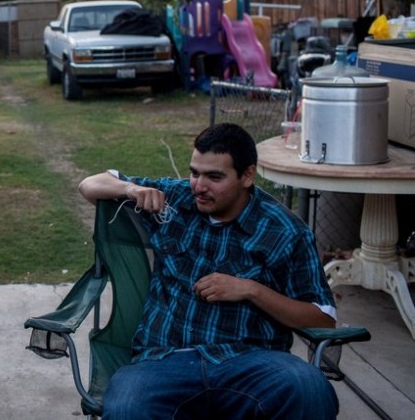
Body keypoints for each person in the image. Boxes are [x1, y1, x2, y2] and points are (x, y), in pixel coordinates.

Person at [78, 123, 337, 420]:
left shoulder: (286, 231)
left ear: (247, 176)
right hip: (163, 360)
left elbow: (323, 319)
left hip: (252, 363)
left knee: (309, 390)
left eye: (214, 177)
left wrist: (252, 290)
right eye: (194, 172)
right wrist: (131, 189)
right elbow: (90, 185)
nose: (199, 186)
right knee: (127, 408)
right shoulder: (173, 202)